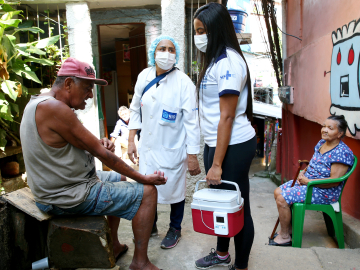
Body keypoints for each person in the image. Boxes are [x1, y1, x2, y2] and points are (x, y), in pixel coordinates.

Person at [20, 57, 167, 270]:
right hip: (67, 195)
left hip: (61, 186)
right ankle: (140, 262)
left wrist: (98, 143)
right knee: (148, 191)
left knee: (120, 177)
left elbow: (70, 143)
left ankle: (113, 245)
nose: (90, 95)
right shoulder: (55, 109)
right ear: (68, 83)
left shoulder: (41, 102)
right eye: (87, 88)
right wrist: (143, 177)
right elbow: (104, 156)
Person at [193, 3, 257, 270]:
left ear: (217, 30)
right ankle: (222, 254)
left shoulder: (229, 61)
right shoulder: (215, 61)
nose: (199, 36)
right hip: (216, 143)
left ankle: (240, 266)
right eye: (196, 31)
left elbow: (227, 116)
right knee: (220, 202)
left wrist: (217, 164)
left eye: (202, 30)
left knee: (237, 205)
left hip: (234, 145)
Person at [127, 35, 201, 249]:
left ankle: (175, 228)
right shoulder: (144, 76)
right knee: (147, 187)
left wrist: (192, 155)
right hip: (148, 147)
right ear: (154, 52)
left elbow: (191, 122)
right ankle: (151, 225)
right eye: (162, 48)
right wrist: (131, 139)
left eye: (171, 49)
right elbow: (134, 108)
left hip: (172, 148)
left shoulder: (184, 83)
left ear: (176, 54)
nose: (166, 53)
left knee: (175, 191)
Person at [271, 115, 354, 246]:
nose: (324, 130)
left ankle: (285, 236)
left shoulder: (342, 152)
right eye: (324, 126)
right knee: (277, 191)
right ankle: (290, 229)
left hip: (324, 191)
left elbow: (335, 181)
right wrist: (303, 173)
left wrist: (308, 181)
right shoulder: (322, 143)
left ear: (340, 133)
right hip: (309, 183)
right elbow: (313, 163)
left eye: (330, 128)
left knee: (282, 199)